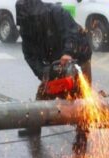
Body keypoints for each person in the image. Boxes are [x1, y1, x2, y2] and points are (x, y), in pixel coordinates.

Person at [15, 0, 92, 139]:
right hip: (55, 60)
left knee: (82, 98)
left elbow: (71, 33)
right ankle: (34, 127)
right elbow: (29, 55)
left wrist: (68, 52)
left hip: (78, 55)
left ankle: (82, 136)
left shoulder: (57, 13)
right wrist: (43, 73)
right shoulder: (26, 28)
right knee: (42, 93)